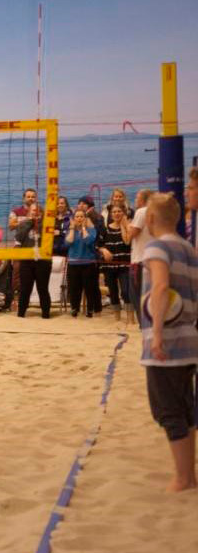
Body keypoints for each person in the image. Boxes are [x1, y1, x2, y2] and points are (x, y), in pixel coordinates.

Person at [138, 192, 198, 493]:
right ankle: (189, 475)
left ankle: (183, 478)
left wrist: (158, 334)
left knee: (168, 411)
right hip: (189, 341)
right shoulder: (189, 248)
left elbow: (161, 286)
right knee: (186, 409)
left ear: (150, 219)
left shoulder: (157, 247)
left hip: (168, 342)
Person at [14, 203, 52, 318]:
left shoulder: (45, 224)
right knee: (25, 289)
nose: (35, 213)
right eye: (33, 211)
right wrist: (30, 222)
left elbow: (48, 238)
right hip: (27, 261)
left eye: (37, 211)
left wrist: (37, 222)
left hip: (43, 261)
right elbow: (19, 237)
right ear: (29, 212)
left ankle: (45, 314)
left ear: (41, 213)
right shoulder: (23, 224)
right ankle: (21, 314)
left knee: (43, 289)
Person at [65, 209, 101, 318]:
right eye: (77, 216)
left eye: (81, 216)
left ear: (85, 218)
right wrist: (72, 228)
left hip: (88, 263)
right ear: (74, 219)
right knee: (74, 288)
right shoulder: (71, 230)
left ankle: (90, 309)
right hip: (73, 263)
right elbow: (67, 243)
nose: (79, 218)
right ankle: (74, 308)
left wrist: (84, 228)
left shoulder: (91, 229)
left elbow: (89, 241)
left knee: (89, 288)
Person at [127, 189, 155, 324]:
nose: (135, 200)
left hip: (139, 261)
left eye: (137, 198)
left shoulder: (141, 211)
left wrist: (125, 224)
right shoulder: (156, 212)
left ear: (143, 200)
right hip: (153, 259)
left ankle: (144, 325)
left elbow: (129, 237)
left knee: (138, 297)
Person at [101, 203, 132, 321]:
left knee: (125, 291)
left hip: (124, 264)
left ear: (123, 213)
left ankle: (130, 317)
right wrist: (104, 250)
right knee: (113, 292)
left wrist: (123, 225)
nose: (116, 214)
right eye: (114, 212)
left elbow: (127, 242)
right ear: (110, 214)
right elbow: (98, 244)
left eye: (119, 211)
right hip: (109, 265)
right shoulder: (106, 229)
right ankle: (117, 317)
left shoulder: (128, 226)